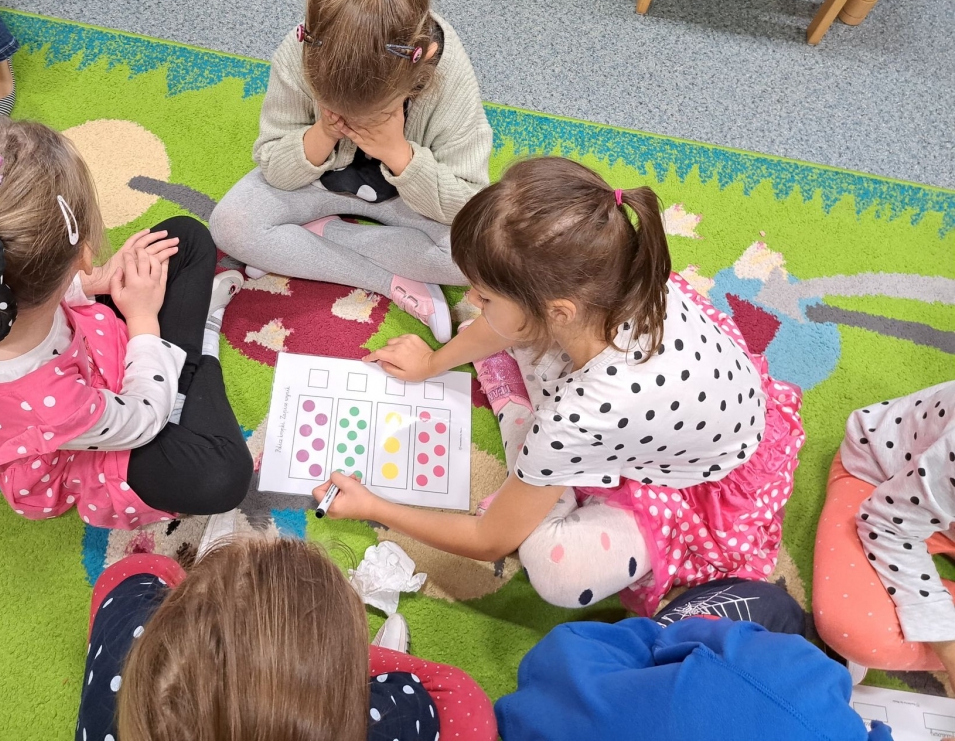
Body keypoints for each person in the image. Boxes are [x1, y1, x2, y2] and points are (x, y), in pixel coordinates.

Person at [313, 157, 805, 616]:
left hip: (703, 487)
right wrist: (432, 363)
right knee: (507, 334)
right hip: (703, 412)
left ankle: (529, 440)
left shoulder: (575, 417)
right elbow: (510, 324)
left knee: (555, 570)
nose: (472, 299)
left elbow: (490, 539)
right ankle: (544, 472)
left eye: (485, 295)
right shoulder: (617, 271)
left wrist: (374, 506)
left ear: (559, 312)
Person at [0, 114, 253, 527]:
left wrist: (92, 282)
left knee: (182, 239)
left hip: (78, 357)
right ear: (82, 254)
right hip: (74, 443)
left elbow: (14, 289)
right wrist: (142, 319)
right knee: (223, 475)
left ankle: (174, 366)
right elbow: (143, 420)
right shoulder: (54, 403)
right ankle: (192, 361)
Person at [209, 0, 493, 344]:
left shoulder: (448, 73)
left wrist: (399, 154)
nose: (352, 125)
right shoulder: (303, 47)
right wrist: (322, 134)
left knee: (479, 256)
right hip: (314, 184)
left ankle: (322, 234)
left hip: (411, 201)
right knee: (230, 225)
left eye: (376, 113)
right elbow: (273, 164)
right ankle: (389, 280)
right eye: (334, 108)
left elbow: (469, 203)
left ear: (423, 64)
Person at [77, 538, 497, 741]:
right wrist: (346, 660)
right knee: (452, 702)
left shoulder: (119, 703)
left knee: (133, 580)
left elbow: (128, 574)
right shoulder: (387, 722)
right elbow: (458, 695)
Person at [494, 584, 886, 741]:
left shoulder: (805, 681)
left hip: (548, 685)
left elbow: (679, 637)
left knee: (774, 605)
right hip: (530, 720)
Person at [813, 382, 955, 675]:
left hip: (933, 503)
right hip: (882, 481)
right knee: (856, 627)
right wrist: (949, 647)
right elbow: (885, 525)